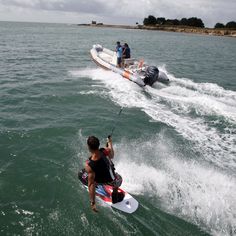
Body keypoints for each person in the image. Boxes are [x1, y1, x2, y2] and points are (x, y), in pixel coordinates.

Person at [82, 136, 123, 212]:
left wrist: (92, 202)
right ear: (98, 144)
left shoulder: (89, 164)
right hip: (115, 181)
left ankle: (99, 187)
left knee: (82, 174)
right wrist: (110, 142)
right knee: (116, 178)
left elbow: (91, 184)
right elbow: (112, 155)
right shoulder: (105, 151)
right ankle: (115, 195)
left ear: (88, 147)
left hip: (101, 182)